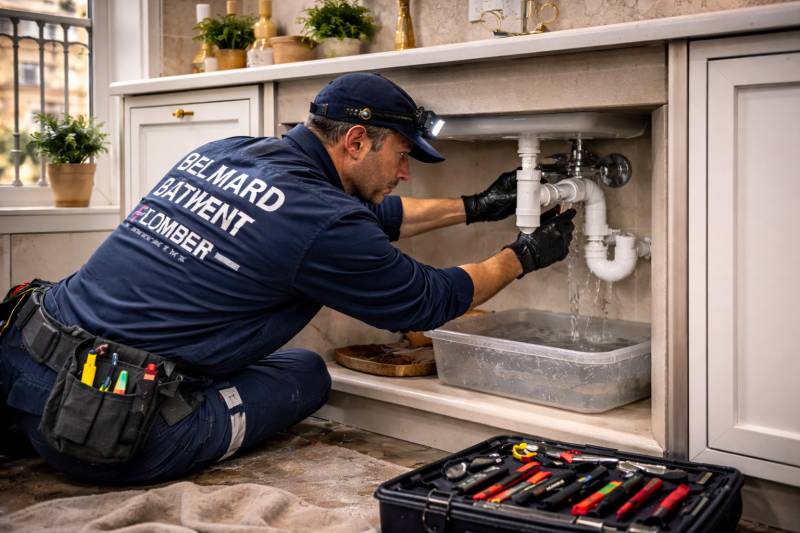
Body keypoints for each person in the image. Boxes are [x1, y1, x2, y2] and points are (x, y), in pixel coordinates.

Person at [0, 72, 575, 485]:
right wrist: (521, 256)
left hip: (22, 365)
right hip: (104, 433)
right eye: (402, 155)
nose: (405, 172)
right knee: (305, 373)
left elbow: (354, 220)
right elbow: (424, 302)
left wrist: (476, 205)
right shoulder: (322, 222)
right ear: (355, 141)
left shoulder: (227, 151)